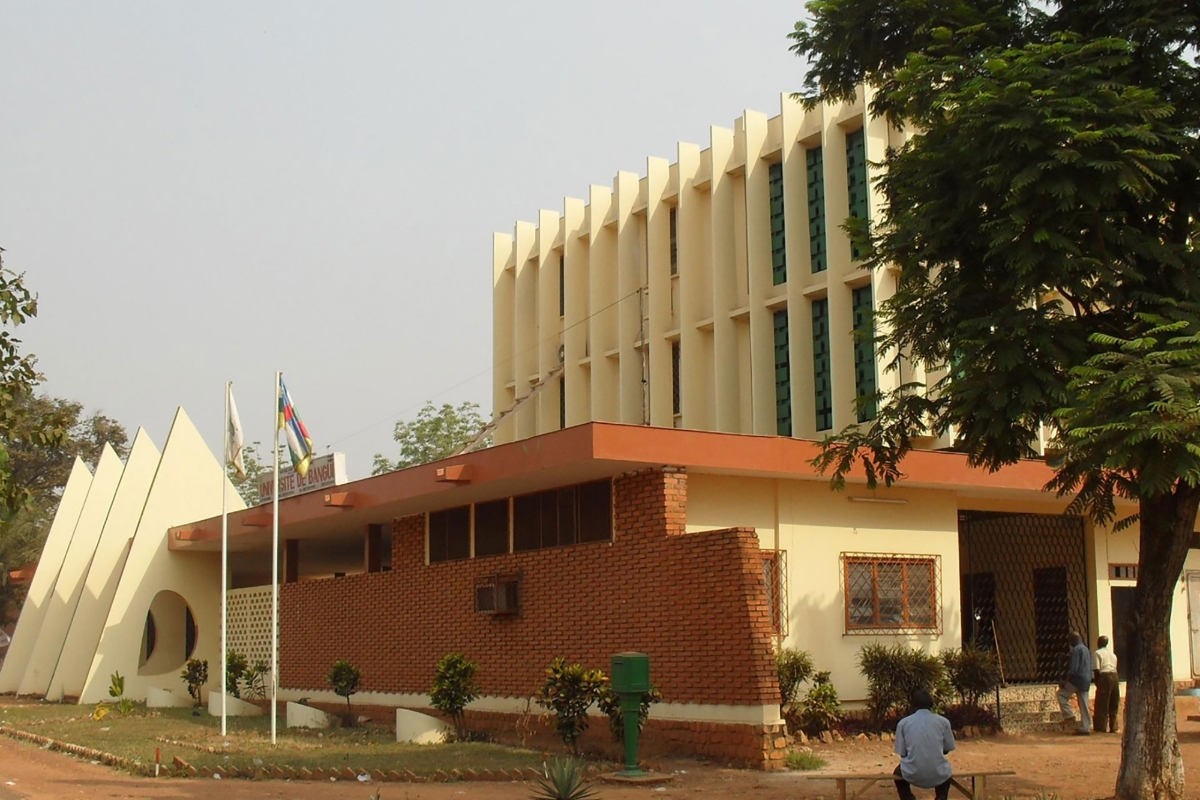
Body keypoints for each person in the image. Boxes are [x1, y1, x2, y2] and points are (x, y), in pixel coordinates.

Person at [893, 689, 955, 800]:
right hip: (938, 771)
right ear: (931, 704)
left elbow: (902, 753)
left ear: (913, 705)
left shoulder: (903, 723)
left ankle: (908, 798)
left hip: (912, 772)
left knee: (897, 774)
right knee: (946, 771)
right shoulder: (943, 722)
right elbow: (947, 749)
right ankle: (941, 797)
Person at [1056, 631, 1092, 735]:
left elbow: (1073, 670)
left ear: (1072, 640)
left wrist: (1065, 682)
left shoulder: (1076, 650)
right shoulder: (1086, 649)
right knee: (1084, 704)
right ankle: (1085, 727)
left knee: (1061, 694)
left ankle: (1068, 715)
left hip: (1077, 680)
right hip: (1086, 680)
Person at [1092, 635, 1120, 733]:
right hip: (1115, 675)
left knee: (1102, 702)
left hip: (1104, 675)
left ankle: (1101, 726)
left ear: (1099, 643)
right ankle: (1114, 726)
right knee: (1114, 701)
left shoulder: (1097, 653)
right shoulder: (1113, 654)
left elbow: (1096, 669)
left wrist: (1097, 682)